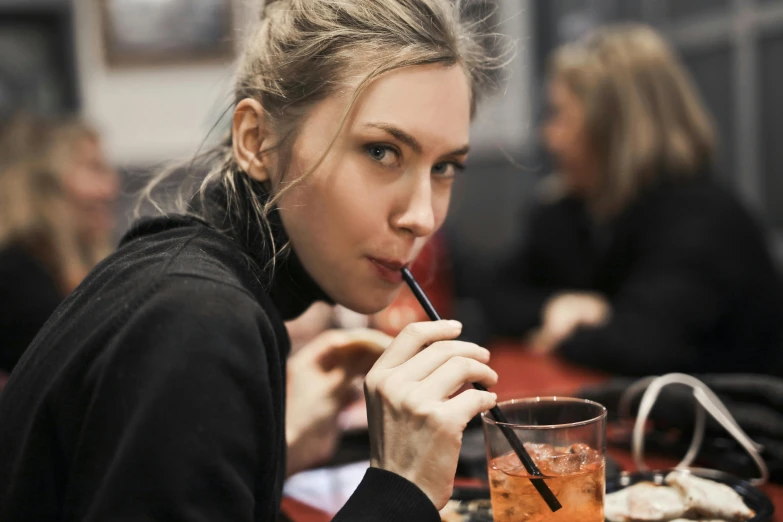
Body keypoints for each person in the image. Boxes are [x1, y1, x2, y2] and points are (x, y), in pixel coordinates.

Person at [0, 1, 502, 521]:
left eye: (445, 167)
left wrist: (270, 451)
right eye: (381, 151)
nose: (422, 216)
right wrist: (403, 483)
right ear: (256, 141)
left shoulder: (194, 283)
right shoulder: (197, 318)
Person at [490, 24, 783, 376]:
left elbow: (641, 346)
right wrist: (556, 306)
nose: (549, 137)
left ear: (613, 130)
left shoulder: (706, 220)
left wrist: (567, 331)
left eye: (560, 116)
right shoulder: (568, 210)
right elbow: (494, 294)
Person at [0, 114, 118, 373]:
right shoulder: (18, 279)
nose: (110, 188)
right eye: (94, 168)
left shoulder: (74, 269)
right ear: (45, 182)